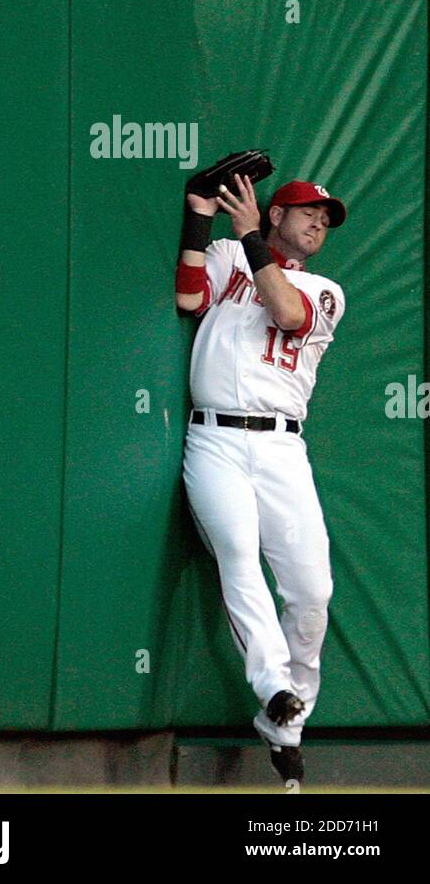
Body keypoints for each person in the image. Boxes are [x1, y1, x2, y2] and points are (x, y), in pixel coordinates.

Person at [175, 172, 347, 789]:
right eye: (308, 212)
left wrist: (248, 236)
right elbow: (192, 299)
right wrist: (201, 215)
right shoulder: (228, 254)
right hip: (216, 439)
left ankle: (288, 720)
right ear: (275, 214)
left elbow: (286, 310)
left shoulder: (326, 290)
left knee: (312, 590)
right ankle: (274, 687)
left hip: (281, 449)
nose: (318, 224)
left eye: (326, 219)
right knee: (239, 558)